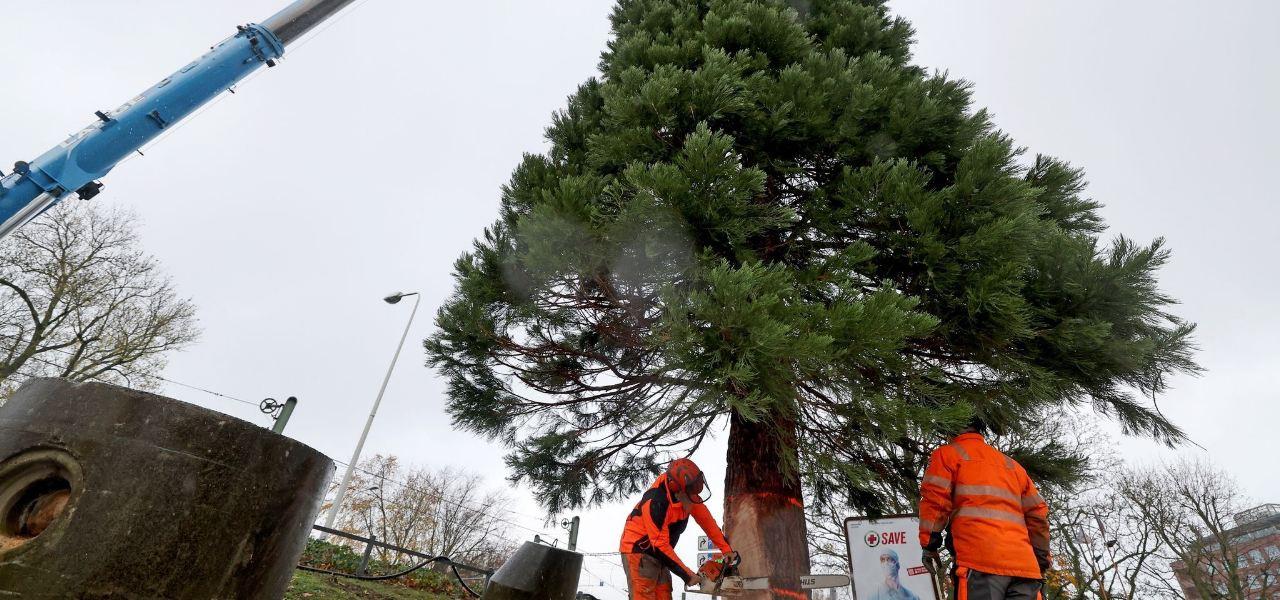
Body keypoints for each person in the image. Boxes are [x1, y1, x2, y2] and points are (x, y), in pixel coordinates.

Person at [918, 418, 1051, 600]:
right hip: (1025, 569)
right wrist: (1041, 561)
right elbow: (1038, 515)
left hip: (979, 563)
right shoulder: (1013, 466)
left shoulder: (947, 455)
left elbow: (935, 502)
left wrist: (929, 544)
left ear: (951, 428)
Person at [619, 458, 733, 600]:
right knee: (644, 594)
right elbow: (660, 545)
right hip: (639, 551)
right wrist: (687, 574)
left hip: (661, 554)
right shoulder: (656, 502)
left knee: (664, 594)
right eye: (691, 494)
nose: (694, 498)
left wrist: (726, 549)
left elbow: (707, 522)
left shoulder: (688, 493)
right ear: (677, 490)